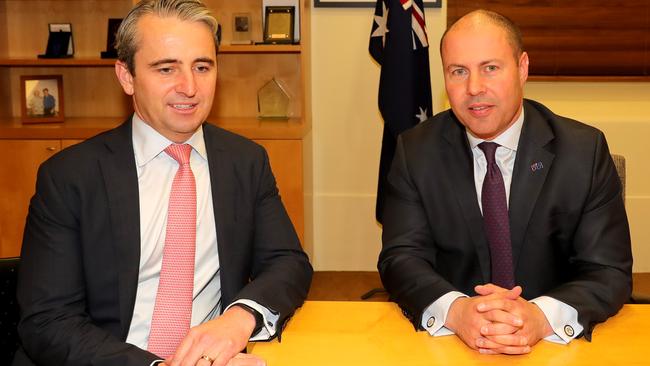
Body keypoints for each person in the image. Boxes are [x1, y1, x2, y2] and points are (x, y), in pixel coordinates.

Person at [14, 1, 312, 365]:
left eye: (202, 67)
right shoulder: (70, 177)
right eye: (166, 68)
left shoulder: (245, 161)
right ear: (126, 76)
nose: (189, 87)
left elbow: (287, 262)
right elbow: (48, 321)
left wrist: (239, 318)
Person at [378, 9, 632, 355]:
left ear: (523, 68)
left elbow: (608, 271)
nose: (474, 89)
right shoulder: (415, 151)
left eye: (490, 68)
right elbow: (401, 258)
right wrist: (456, 311)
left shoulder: (583, 152)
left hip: (556, 347)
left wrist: (541, 316)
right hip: (454, 346)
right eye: (458, 72)